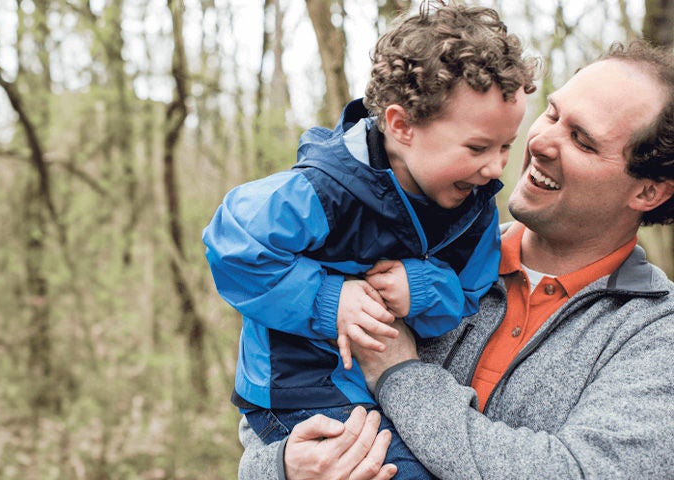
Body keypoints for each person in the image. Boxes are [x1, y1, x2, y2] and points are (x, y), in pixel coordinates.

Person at [239, 40, 674, 479]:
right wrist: (284, 469)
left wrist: (400, 374)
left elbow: (577, 472)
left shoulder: (657, 336)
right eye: (554, 114)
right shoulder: (434, 252)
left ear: (648, 191)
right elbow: (278, 412)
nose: (541, 141)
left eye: (581, 140)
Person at [202, 3, 536, 478]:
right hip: (299, 387)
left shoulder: (475, 207)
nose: (496, 167)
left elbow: (467, 294)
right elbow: (232, 244)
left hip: (384, 388)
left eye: (506, 146)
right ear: (402, 126)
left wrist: (419, 288)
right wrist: (327, 298)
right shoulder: (327, 186)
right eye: (478, 148)